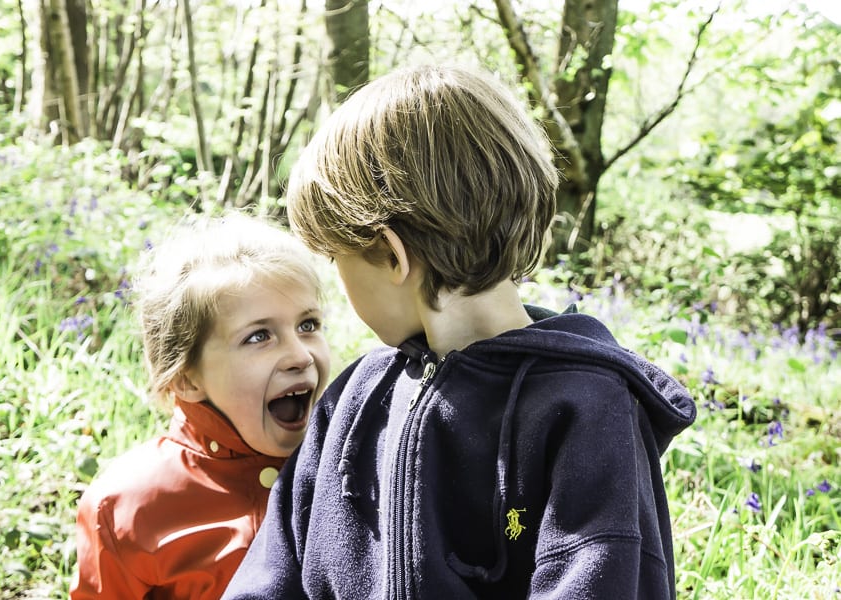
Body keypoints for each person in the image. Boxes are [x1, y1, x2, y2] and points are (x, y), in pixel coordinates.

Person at [221, 64, 696, 599]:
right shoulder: (353, 402)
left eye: (337, 257)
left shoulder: (586, 410)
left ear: (391, 254)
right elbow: (269, 578)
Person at [70, 212, 331, 599]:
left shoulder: (350, 468)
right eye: (259, 336)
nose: (300, 355)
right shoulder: (127, 508)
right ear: (186, 378)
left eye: (307, 325)